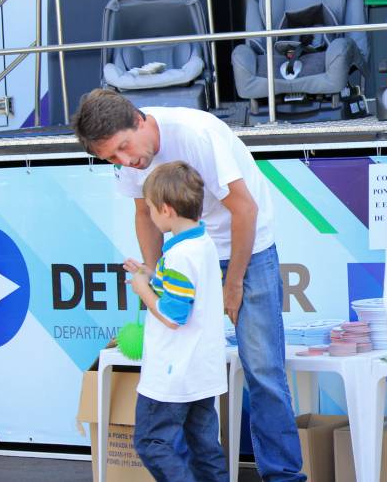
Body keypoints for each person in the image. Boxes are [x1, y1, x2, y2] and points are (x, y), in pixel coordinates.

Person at [73, 90, 305, 482]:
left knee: (263, 370)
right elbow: (143, 214)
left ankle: (283, 476)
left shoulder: (197, 134)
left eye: (124, 148)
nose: (125, 162)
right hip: (190, 255)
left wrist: (234, 285)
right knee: (194, 366)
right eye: (111, 158)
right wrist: (153, 272)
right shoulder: (130, 159)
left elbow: (245, 209)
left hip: (247, 247)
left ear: (138, 119)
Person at [123, 161, 228, 481]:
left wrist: (142, 289)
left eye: (150, 208)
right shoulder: (203, 244)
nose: (149, 215)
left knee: (151, 442)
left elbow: (173, 315)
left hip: (173, 373)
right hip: (202, 370)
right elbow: (185, 293)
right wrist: (151, 275)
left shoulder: (179, 256)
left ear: (166, 210)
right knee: (204, 447)